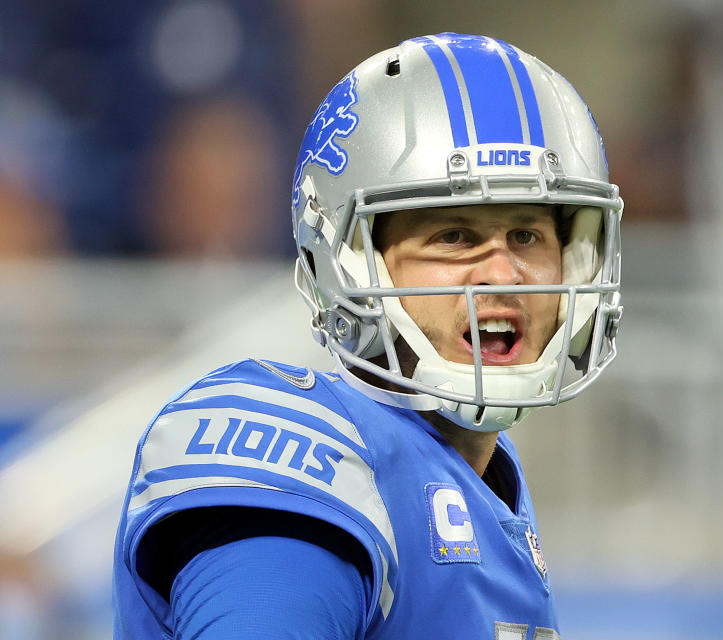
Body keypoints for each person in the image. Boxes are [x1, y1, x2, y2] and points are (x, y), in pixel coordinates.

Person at [113, 32, 623, 639]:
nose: (503, 273)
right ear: (348, 262)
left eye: (527, 235)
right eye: (454, 237)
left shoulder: (481, 468)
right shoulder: (307, 464)